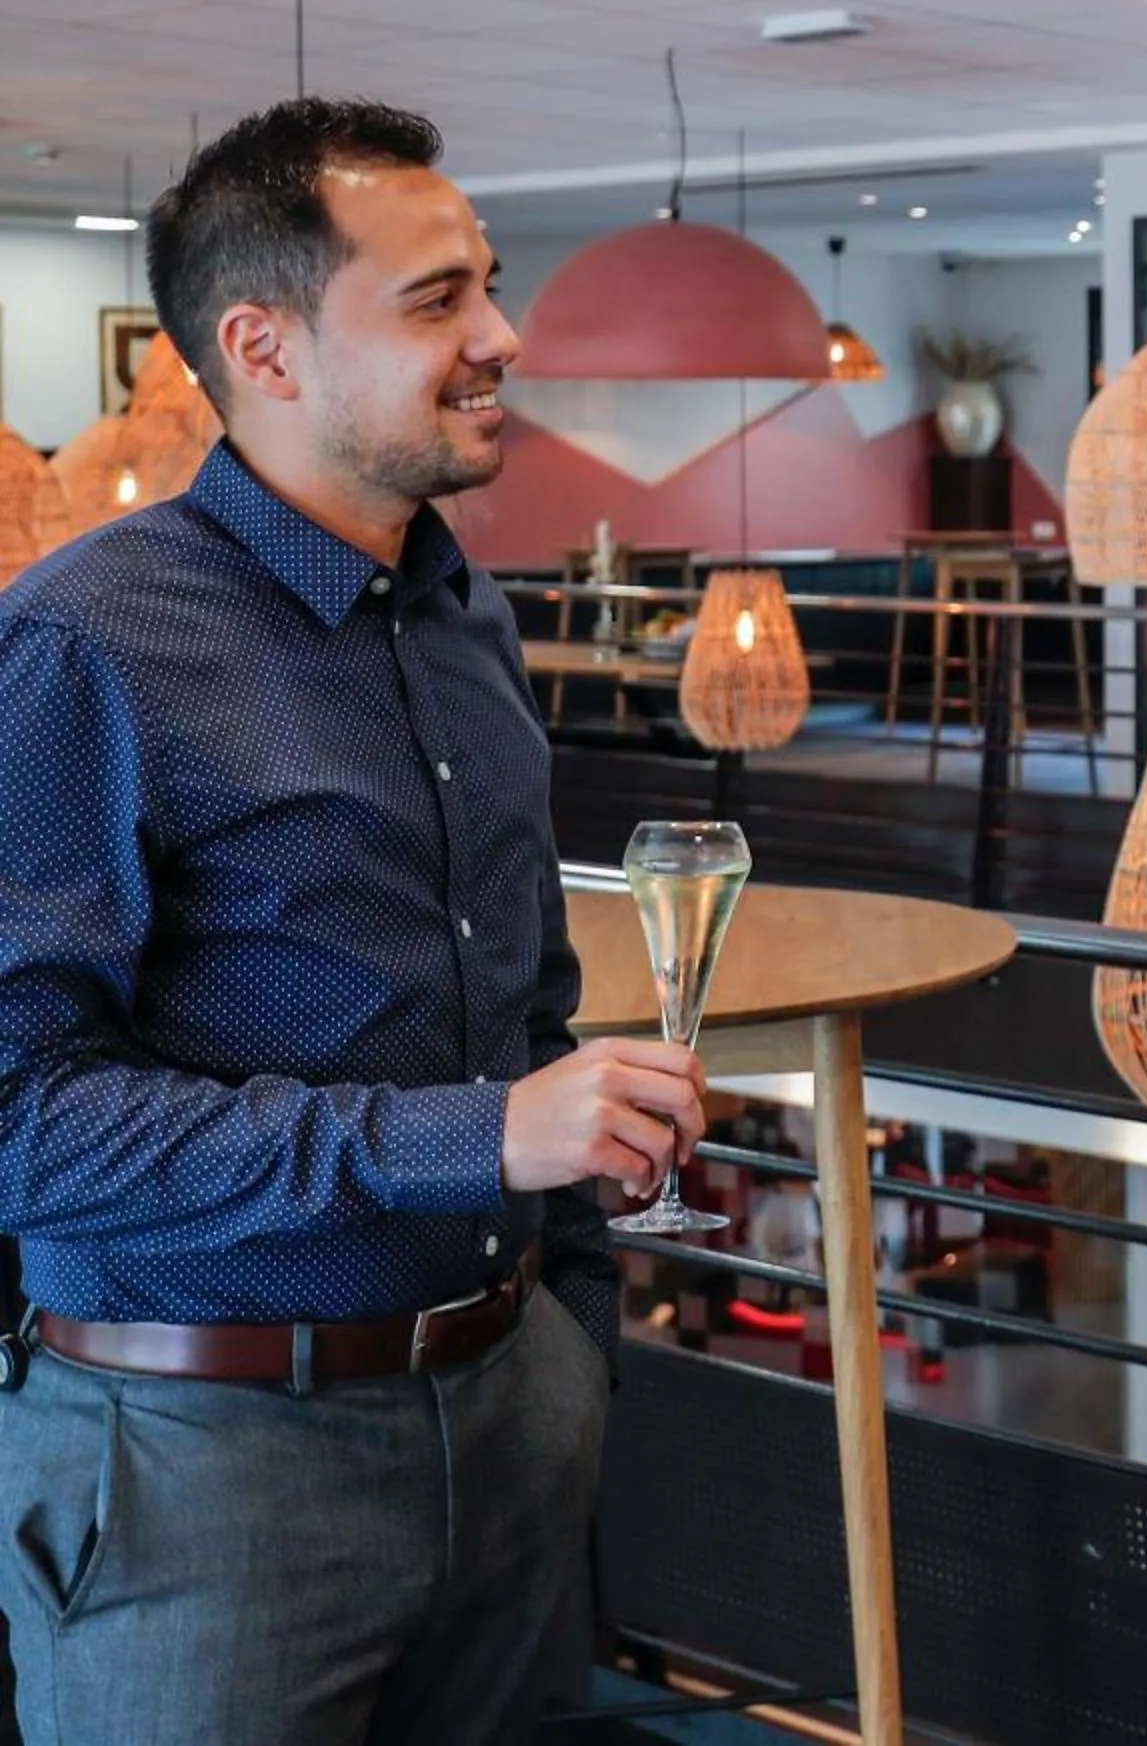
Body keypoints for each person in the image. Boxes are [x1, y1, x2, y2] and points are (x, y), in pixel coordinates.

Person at [0, 99, 709, 1745]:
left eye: (489, 285)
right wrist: (477, 1137)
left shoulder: (467, 616)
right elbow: (19, 1119)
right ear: (264, 347)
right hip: (201, 1472)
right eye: (439, 298)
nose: (503, 335)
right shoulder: (81, 645)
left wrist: (571, 1336)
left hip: (509, 1420)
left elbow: (526, 1004)